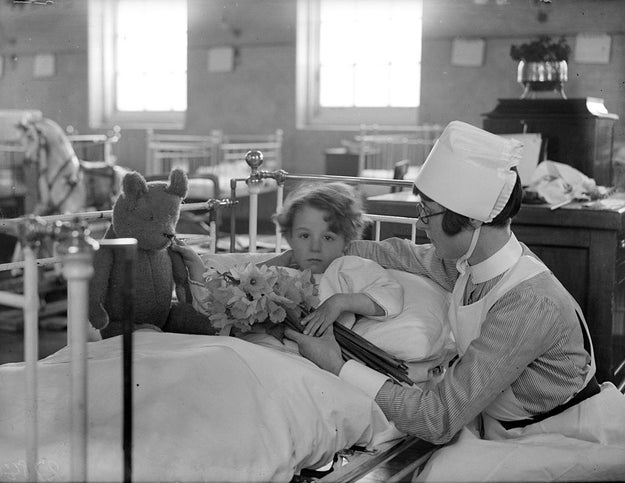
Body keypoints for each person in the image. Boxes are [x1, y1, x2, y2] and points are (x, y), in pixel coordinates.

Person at [281, 121, 625, 480]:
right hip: (504, 426)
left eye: (427, 213)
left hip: (561, 438)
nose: (421, 224)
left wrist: (337, 365)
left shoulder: (527, 304)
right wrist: (317, 251)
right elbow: (400, 253)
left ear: (471, 220)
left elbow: (438, 419)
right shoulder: (471, 265)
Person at [172, 181, 404, 337]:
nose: (315, 246)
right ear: (290, 239)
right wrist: (198, 268)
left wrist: (341, 302)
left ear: (346, 242)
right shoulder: (282, 268)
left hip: (309, 353)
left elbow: (391, 293)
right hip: (262, 345)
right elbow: (231, 292)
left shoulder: (346, 266)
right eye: (304, 236)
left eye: (328, 237)